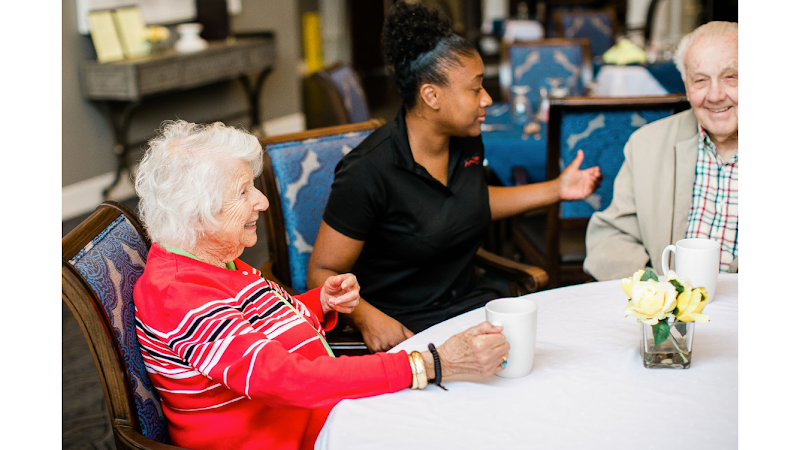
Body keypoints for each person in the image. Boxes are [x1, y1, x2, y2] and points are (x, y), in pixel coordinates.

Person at [132, 120, 511, 450]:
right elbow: (282, 379)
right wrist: (425, 364)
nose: (262, 201)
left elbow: (257, 327)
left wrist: (320, 303)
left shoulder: (209, 258)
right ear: (197, 212)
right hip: (286, 438)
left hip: (317, 415)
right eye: (243, 192)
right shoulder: (180, 294)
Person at [307, 1, 601, 353]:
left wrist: (556, 189)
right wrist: (367, 317)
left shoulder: (466, 140)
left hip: (467, 307)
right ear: (431, 95)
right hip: (404, 324)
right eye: (476, 89)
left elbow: (468, 201)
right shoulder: (368, 170)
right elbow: (322, 272)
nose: (488, 99)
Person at [583, 21, 738, 281]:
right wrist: (658, 293)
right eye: (700, 80)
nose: (715, 95)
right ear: (686, 87)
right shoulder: (646, 145)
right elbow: (610, 238)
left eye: (731, 77)